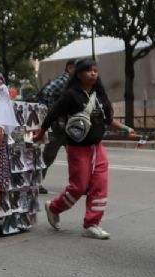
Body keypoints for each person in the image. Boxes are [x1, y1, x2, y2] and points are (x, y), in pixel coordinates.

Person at [35, 57, 136, 240]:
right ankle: (54, 207)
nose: (93, 74)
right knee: (79, 187)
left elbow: (108, 119)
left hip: (97, 148)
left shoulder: (99, 94)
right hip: (77, 149)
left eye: (95, 71)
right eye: (89, 71)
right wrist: (41, 132)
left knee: (99, 186)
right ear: (79, 74)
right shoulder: (71, 95)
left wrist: (126, 129)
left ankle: (92, 224)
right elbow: (53, 114)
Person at [35, 59, 75, 194]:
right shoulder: (64, 80)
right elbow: (47, 92)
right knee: (48, 155)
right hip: (59, 126)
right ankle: (36, 182)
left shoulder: (74, 83)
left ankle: (79, 184)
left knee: (76, 156)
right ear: (69, 68)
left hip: (69, 126)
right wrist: (54, 111)